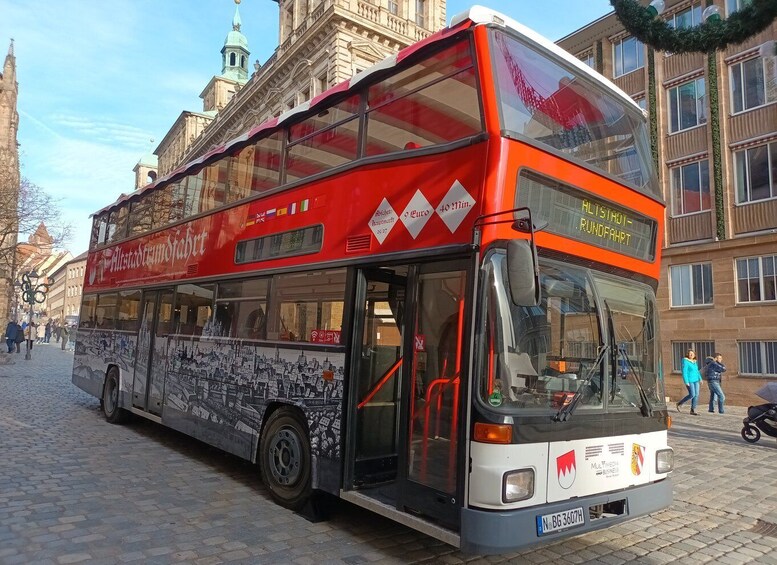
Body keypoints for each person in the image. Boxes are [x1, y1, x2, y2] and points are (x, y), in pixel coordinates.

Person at [677, 349, 701, 415]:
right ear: (688, 355)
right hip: (690, 380)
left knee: (696, 395)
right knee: (692, 394)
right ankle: (679, 403)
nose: (691, 355)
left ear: (694, 355)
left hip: (696, 380)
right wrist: (686, 381)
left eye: (692, 354)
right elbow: (684, 372)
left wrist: (700, 378)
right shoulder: (685, 361)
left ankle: (693, 410)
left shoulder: (694, 362)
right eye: (690, 354)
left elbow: (697, 371)